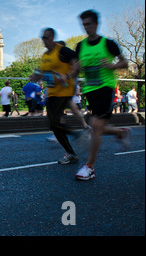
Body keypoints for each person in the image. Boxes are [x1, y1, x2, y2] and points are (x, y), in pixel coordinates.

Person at [74, 10, 130, 181]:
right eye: (83, 24)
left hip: (106, 88)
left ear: (96, 24)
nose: (86, 27)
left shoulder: (108, 44)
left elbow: (125, 63)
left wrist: (111, 66)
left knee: (95, 124)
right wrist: (68, 74)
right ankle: (120, 132)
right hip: (90, 91)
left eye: (89, 24)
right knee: (96, 127)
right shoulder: (80, 46)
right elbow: (75, 67)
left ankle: (89, 167)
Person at [32, 27, 80, 165]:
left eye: (46, 37)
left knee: (54, 122)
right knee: (54, 125)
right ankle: (72, 151)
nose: (44, 40)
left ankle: (75, 135)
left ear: (52, 37)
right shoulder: (45, 56)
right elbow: (41, 73)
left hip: (65, 91)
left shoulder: (62, 50)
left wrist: (68, 75)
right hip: (52, 93)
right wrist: (35, 76)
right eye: (42, 37)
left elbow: (77, 64)